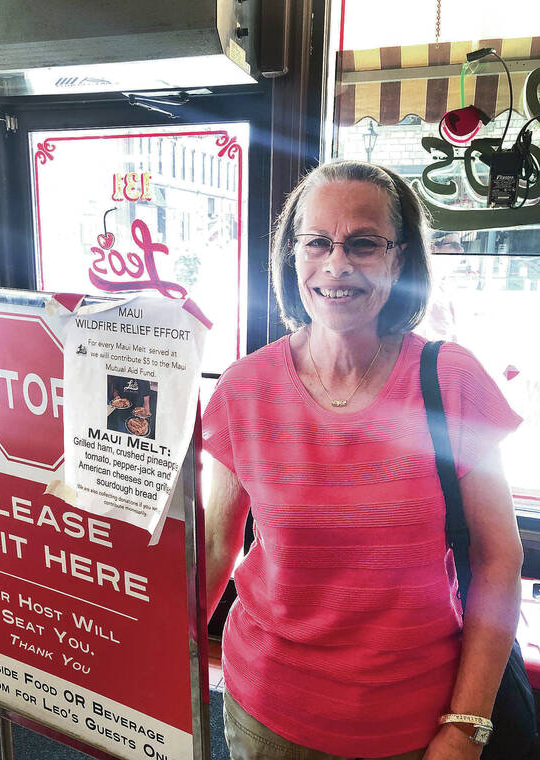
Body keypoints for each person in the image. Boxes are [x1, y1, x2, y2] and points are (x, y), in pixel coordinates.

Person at [202, 161, 523, 760]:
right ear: (291, 255)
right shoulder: (243, 388)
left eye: (364, 244)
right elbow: (217, 547)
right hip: (265, 713)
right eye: (317, 242)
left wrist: (466, 726)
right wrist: (164, 654)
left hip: (415, 723)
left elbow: (499, 556)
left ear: (399, 260)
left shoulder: (453, 380)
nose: (337, 264)